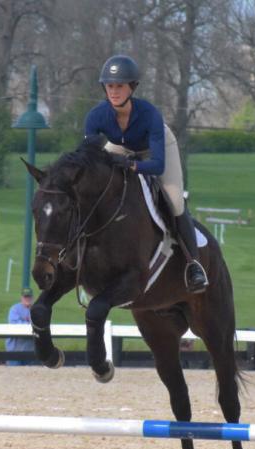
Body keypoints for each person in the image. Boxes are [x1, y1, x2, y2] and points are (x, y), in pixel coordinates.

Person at [84, 54, 207, 293]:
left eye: (120, 86)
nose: (114, 91)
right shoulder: (95, 117)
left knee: (174, 201)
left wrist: (131, 166)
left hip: (155, 150)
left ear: (132, 87)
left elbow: (158, 165)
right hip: (119, 146)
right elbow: (90, 158)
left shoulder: (149, 114)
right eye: (110, 86)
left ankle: (194, 265)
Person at [6, 288, 35, 365]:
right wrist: (30, 325)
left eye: (29, 297)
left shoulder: (36, 309)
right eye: (25, 297)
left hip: (31, 351)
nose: (27, 299)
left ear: (32, 298)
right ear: (21, 298)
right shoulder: (14, 309)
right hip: (14, 350)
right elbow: (15, 325)